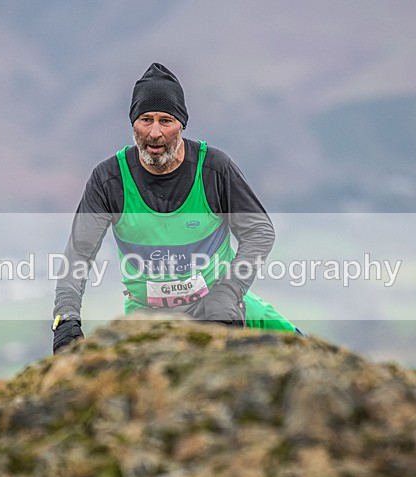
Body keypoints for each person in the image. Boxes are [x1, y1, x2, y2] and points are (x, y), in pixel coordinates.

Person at [52, 63, 299, 354]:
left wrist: (228, 291)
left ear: (181, 123)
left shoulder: (214, 169)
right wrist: (66, 317)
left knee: (307, 356)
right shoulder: (109, 180)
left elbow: (259, 232)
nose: (154, 133)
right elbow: (78, 255)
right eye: (145, 119)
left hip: (220, 306)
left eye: (165, 120)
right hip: (148, 320)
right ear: (133, 123)